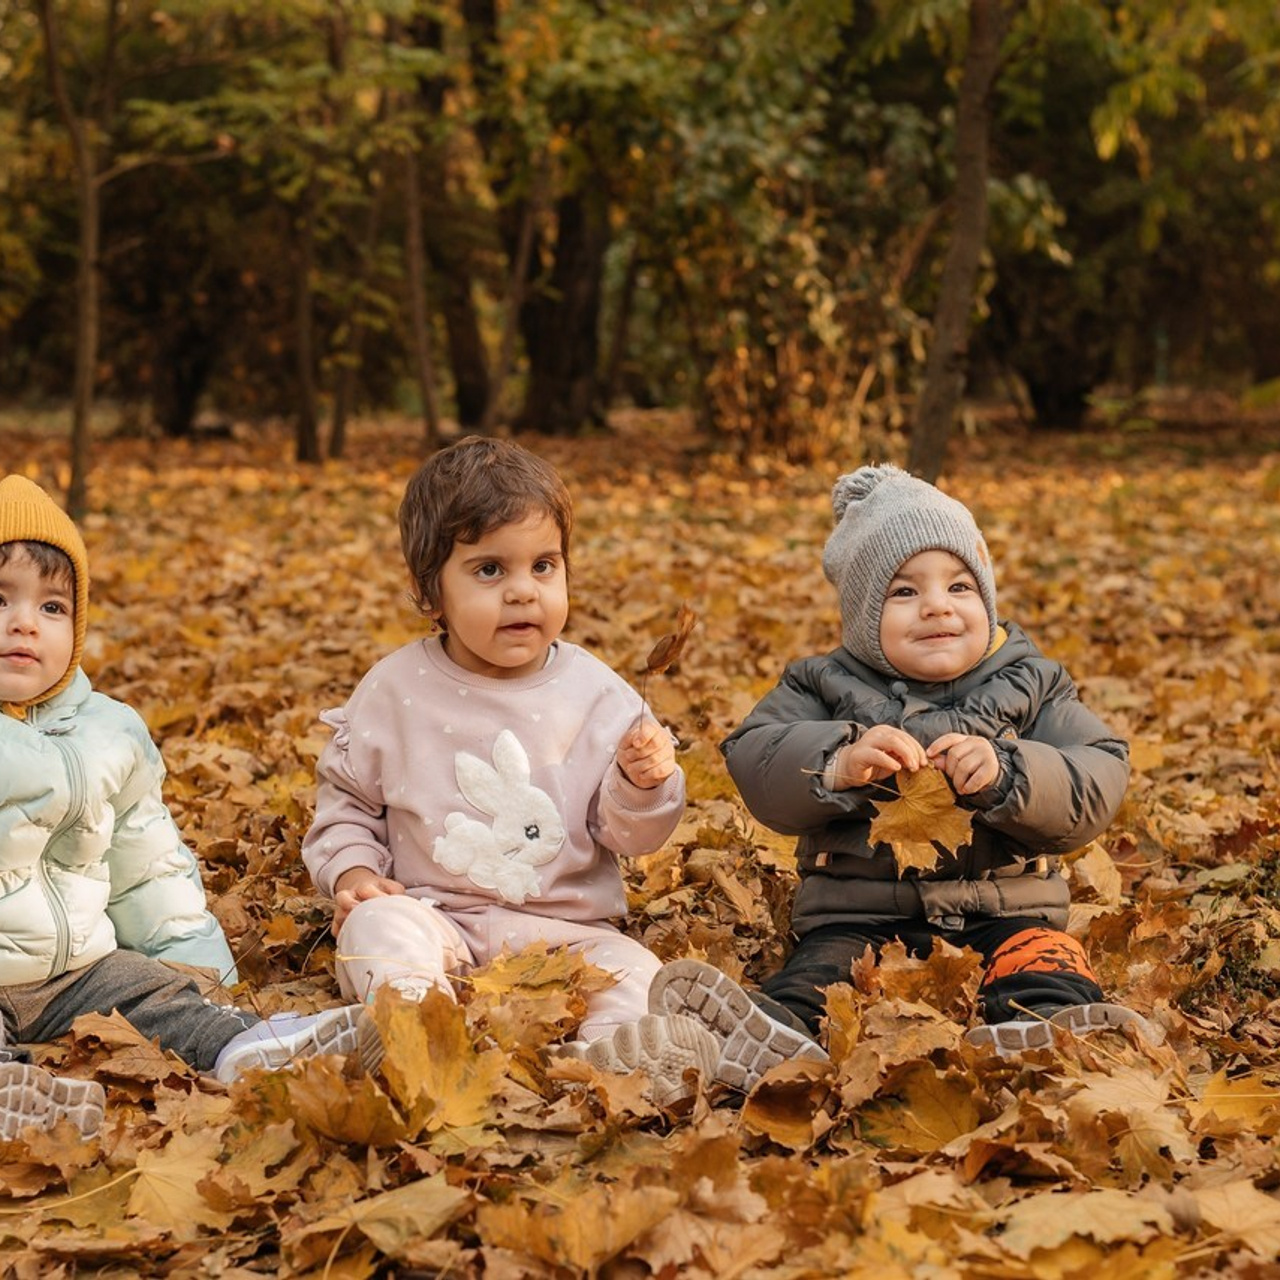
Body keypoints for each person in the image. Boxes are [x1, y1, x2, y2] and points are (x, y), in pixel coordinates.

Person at [656, 464, 1153, 1060]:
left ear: (987, 598)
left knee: (1044, 962)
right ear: (865, 614)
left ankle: (1049, 1024)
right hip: (861, 914)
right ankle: (776, 1036)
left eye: (960, 587)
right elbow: (755, 755)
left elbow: (1097, 772)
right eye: (905, 592)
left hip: (1008, 908)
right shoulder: (821, 683)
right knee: (820, 976)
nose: (937, 608)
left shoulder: (1032, 682)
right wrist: (836, 763)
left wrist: (1008, 774)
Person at [303, 437, 727, 1107]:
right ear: (429, 591)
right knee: (375, 930)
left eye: (544, 566)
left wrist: (643, 786)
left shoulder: (597, 692)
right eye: (490, 570)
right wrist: (354, 874)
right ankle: (414, 1030)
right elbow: (349, 804)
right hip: (437, 916)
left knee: (639, 972)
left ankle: (611, 1063)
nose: (524, 591)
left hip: (568, 930)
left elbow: (628, 836)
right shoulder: (394, 691)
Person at [0, 475, 368, 1143]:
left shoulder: (108, 731)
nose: (24, 621)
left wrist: (208, 973)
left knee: (157, 990)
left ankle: (245, 1045)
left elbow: (149, 870)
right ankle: (18, 1098)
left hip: (76, 971)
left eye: (52, 607)